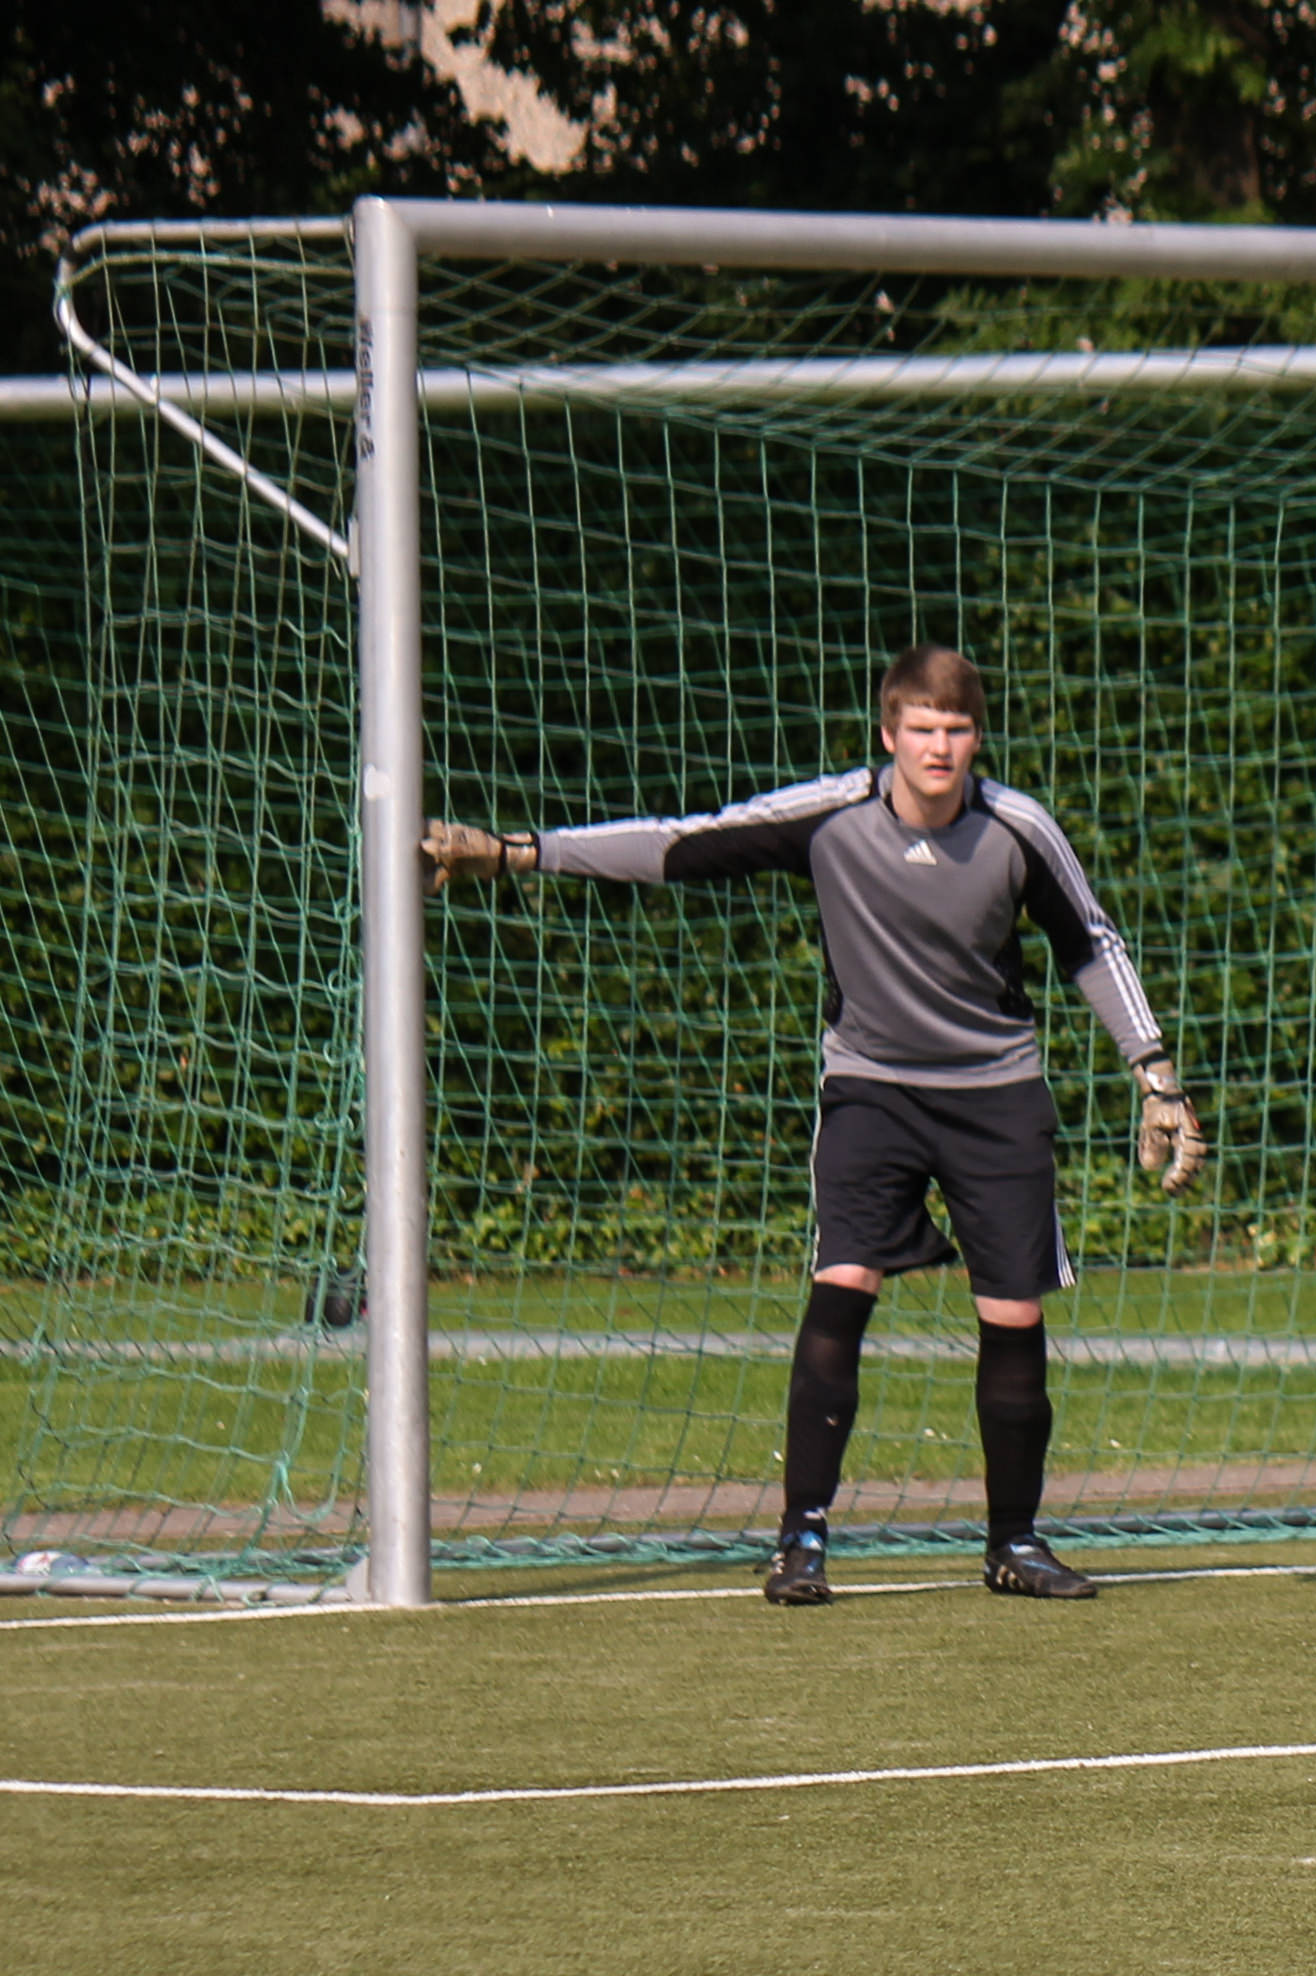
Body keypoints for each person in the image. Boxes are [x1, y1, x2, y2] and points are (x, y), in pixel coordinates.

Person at [420, 643, 1207, 1607]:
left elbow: (1092, 942)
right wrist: (518, 852)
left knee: (1013, 1313)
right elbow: (680, 844)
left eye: (958, 730)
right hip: (871, 1088)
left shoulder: (1018, 828)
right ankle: (801, 1539)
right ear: (889, 734)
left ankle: (1015, 1542)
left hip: (996, 1093)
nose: (940, 747)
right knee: (843, 1285)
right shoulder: (833, 814)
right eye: (922, 728)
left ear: (977, 739)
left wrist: (1156, 1076)